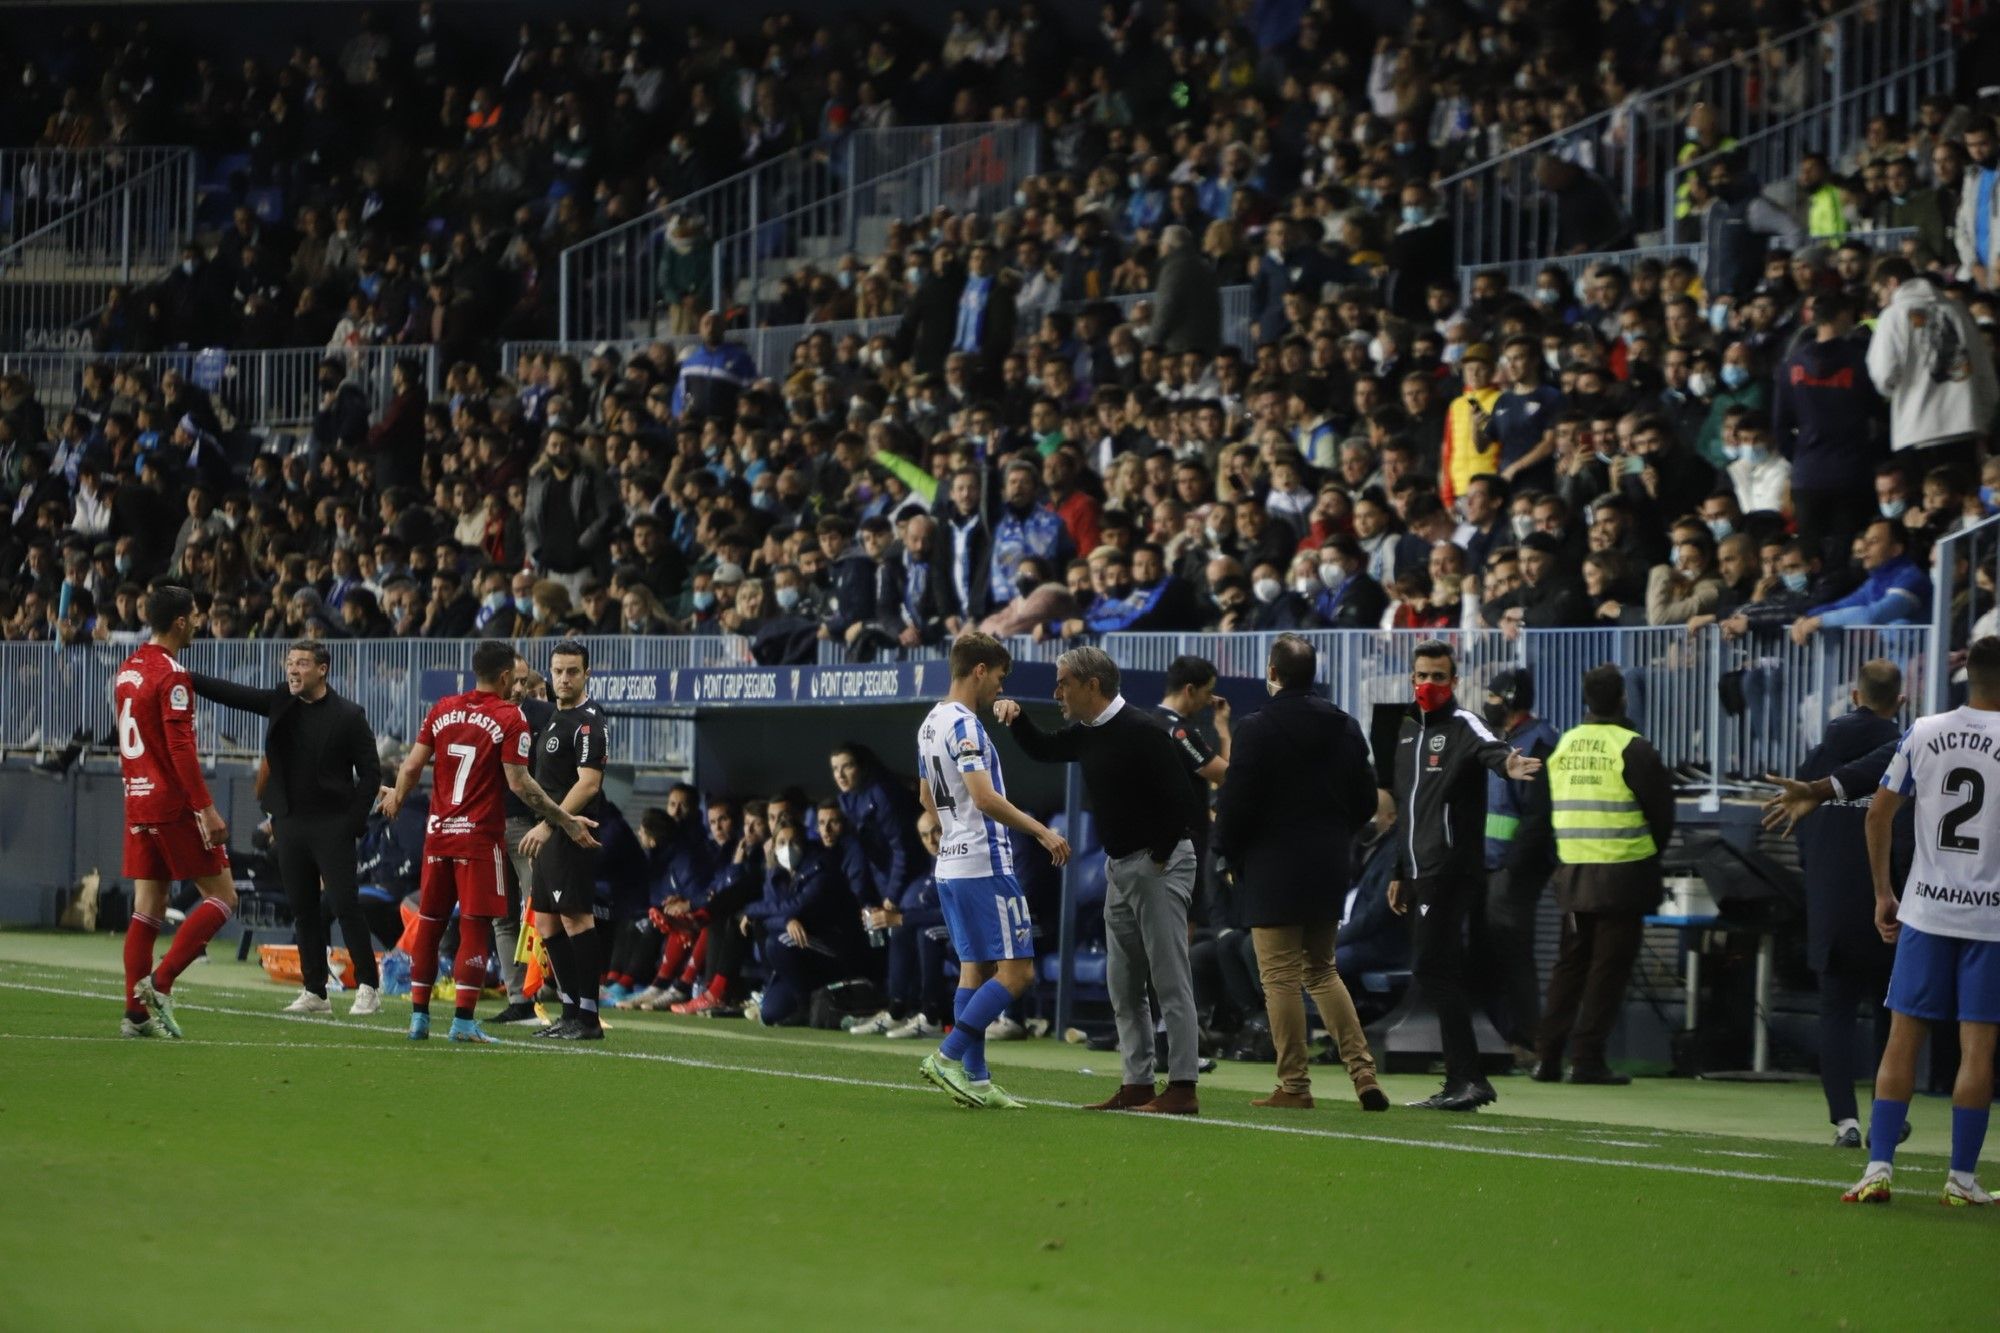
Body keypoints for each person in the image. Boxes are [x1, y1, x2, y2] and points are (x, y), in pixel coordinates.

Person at [996, 646, 1208, 1115]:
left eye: (1063, 683)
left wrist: (1158, 856)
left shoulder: (1146, 730)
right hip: (1121, 866)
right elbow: (1045, 748)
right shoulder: (1090, 732)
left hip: (1157, 864)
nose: (1057, 693)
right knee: (1124, 982)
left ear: (1092, 686)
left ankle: (1183, 1086)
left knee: (1170, 980)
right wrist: (1016, 720)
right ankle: (1137, 1083)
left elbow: (1185, 803)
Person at [378, 639, 600, 1043]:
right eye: (514, 679)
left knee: (429, 926)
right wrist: (562, 819)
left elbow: (411, 765)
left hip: (438, 835)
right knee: (477, 927)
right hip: (479, 839)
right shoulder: (509, 717)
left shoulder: (442, 708)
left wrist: (396, 796)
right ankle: (463, 1021)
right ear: (503, 677)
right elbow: (520, 784)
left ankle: (418, 1019)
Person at [1844, 636, 2000, 1207]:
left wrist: (1885, 892)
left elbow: (1878, 814)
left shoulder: (1925, 730)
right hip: (1993, 921)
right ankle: (1961, 1179)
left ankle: (1878, 1168)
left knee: (1902, 1042)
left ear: (1968, 677)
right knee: (1977, 1050)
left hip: (1927, 910)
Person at [1211, 634, 1389, 1112]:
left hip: (1273, 865)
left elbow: (1237, 799)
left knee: (1280, 977)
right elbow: (1367, 802)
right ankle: (1363, 1073)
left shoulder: (1256, 727)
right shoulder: (1346, 725)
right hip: (1329, 862)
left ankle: (1294, 1085)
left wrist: (1225, 851)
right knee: (1322, 969)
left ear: (1273, 673)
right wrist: (1335, 833)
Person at [915, 633, 1071, 1110]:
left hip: (951, 865)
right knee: (1018, 973)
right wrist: (1042, 831)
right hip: (985, 862)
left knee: (975, 970)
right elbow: (983, 797)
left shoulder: (929, 723)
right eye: (999, 678)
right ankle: (948, 1056)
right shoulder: (965, 726)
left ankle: (976, 1079)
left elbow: (926, 800)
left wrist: (956, 827)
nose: (999, 689)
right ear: (979, 670)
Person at [1386, 639, 1544, 1110]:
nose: (1429, 684)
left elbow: (1494, 748)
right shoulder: (1406, 730)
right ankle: (1465, 1078)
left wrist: (1509, 763)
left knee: (1432, 966)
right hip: (1419, 872)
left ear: (1454, 681)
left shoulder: (1463, 722)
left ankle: (1468, 1077)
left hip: (1450, 868)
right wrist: (1399, 870)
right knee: (1438, 968)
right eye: (1422, 675)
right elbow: (1407, 810)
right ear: (1411, 678)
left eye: (1438, 676)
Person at [188, 639, 382, 1017]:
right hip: (290, 823)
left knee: (345, 904)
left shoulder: (348, 715)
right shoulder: (282, 701)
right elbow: (236, 695)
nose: (293, 670)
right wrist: (186, 677)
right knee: (303, 908)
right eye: (290, 663)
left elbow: (371, 773)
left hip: (333, 825)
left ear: (322, 669)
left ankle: (369, 988)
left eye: (303, 663)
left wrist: (353, 823)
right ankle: (315, 992)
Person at [1533, 665, 1675, 1085]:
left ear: (1586, 700)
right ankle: (1588, 1059)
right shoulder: (1634, 747)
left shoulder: (1564, 746)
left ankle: (1547, 1058)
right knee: (1606, 971)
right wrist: (1648, 855)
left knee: (1569, 966)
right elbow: (1662, 816)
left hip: (1573, 873)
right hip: (1623, 874)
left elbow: (1548, 808)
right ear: (1622, 699)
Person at [1791, 661, 1909, 1146]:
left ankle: (1846, 1121)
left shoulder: (1819, 757)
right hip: (1893, 900)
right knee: (1893, 1012)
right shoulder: (1909, 750)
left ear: (1855, 696)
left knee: (1835, 1011)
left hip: (1831, 899)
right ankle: (1889, 1112)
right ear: (1899, 702)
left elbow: (1798, 822)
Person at [119, 584, 242, 1039]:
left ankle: (135, 1015)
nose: (199, 622)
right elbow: (179, 747)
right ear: (179, 623)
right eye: (194, 615)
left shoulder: (128, 670)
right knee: (224, 898)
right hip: (171, 803)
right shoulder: (172, 676)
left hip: (137, 798)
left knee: (147, 907)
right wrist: (206, 809)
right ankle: (161, 983)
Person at [514, 641, 612, 1041]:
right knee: (547, 920)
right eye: (558, 671)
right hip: (550, 832)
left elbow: (589, 782)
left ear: (586, 673)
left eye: (572, 671)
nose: (564, 679)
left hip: (571, 830)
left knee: (576, 918)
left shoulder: (590, 720)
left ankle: (589, 1017)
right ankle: (570, 1010)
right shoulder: (556, 717)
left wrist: (551, 824)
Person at [1475, 668, 1557, 1065]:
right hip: (1491, 865)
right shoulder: (1503, 741)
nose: (1487, 704)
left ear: (1508, 699)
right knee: (1488, 953)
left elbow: (1537, 818)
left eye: (1493, 697)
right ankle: (1504, 1038)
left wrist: (1511, 868)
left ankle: (1530, 1041)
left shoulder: (1538, 742)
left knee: (1511, 951)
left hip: (1513, 868)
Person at [1865, 255, 1998, 481]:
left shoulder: (1893, 316)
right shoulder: (1958, 311)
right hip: (1966, 426)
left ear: (1892, 282)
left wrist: (1893, 390)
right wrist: (1983, 419)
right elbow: (1984, 371)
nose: (1880, 301)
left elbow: (1883, 374)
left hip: (1918, 430)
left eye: (1880, 292)